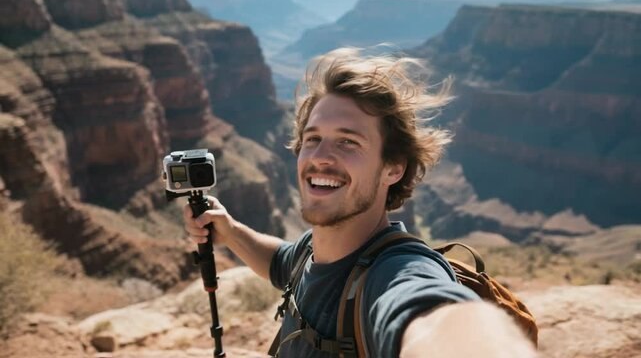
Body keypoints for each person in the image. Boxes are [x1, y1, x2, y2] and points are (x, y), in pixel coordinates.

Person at [184, 48, 536, 357]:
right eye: (313, 138)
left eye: (348, 142)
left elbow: (429, 312)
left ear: (393, 168)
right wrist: (228, 231)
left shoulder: (396, 271)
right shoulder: (311, 251)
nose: (320, 157)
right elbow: (279, 263)